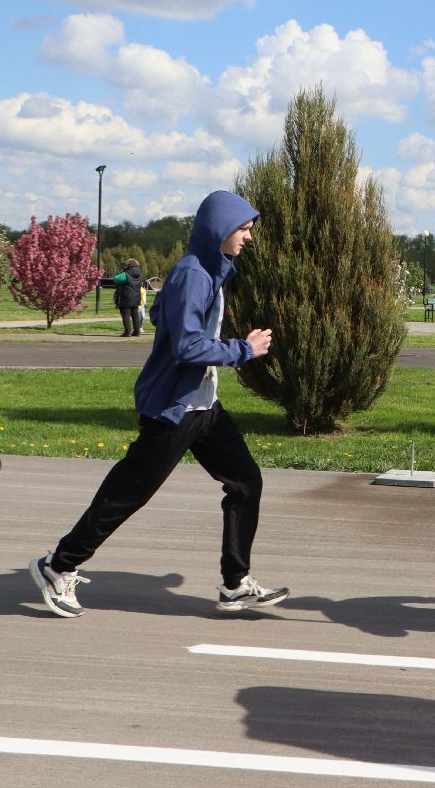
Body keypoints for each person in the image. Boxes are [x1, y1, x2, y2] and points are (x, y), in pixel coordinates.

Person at [30, 190, 288, 618]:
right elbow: (188, 346)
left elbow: (161, 318)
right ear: (219, 229)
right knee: (126, 495)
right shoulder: (193, 274)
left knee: (245, 482)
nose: (249, 236)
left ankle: (235, 584)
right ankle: (57, 566)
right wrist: (243, 349)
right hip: (175, 408)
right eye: (243, 228)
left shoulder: (208, 270)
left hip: (204, 406)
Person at [104, 258, 145, 336]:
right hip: (136, 296)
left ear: (129, 265)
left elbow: (116, 279)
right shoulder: (140, 273)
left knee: (126, 315)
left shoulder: (126, 273)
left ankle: (127, 332)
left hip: (126, 297)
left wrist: (123, 271)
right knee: (135, 315)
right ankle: (137, 332)